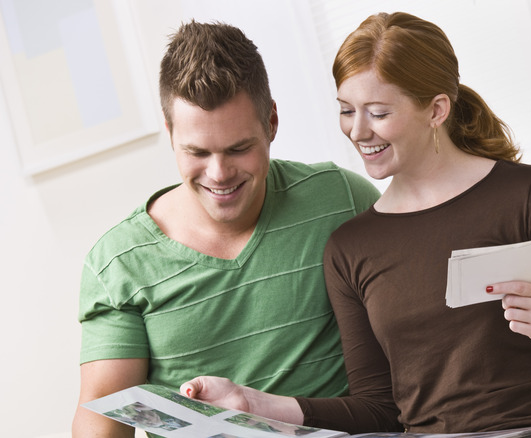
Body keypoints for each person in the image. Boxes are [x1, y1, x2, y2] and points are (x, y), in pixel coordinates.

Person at [182, 12, 531, 438]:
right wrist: (251, 403)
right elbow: (379, 409)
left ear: (436, 110)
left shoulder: (528, 195)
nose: (357, 131)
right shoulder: (351, 247)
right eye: (346, 110)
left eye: (377, 112)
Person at [72, 21, 381, 437]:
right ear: (171, 134)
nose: (219, 174)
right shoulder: (119, 264)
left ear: (271, 122)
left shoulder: (342, 200)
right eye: (197, 152)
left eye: (239, 148)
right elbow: (102, 428)